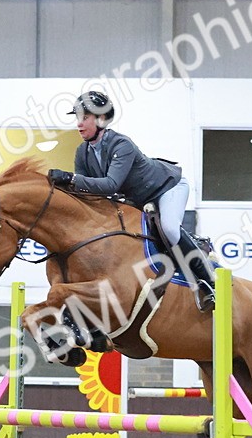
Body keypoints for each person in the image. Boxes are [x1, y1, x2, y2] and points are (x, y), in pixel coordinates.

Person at [46, 90, 215, 311]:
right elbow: (86, 193)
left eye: (84, 117)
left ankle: (208, 281)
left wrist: (71, 178)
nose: (79, 124)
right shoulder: (83, 152)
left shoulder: (121, 144)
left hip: (167, 187)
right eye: (78, 118)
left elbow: (110, 184)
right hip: (136, 198)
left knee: (169, 229)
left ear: (101, 119)